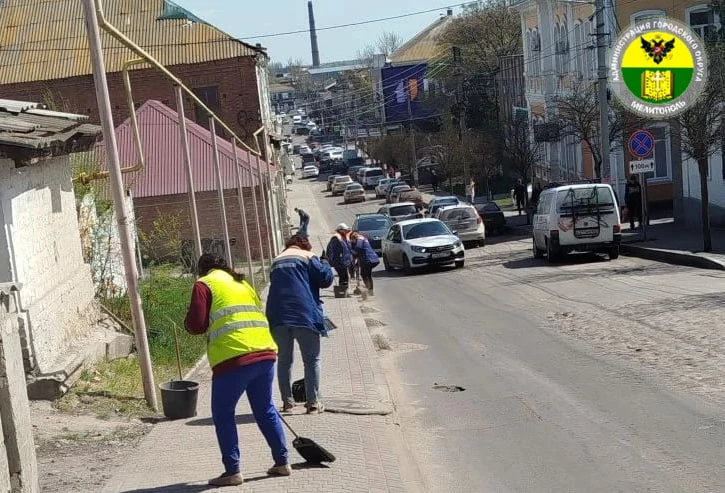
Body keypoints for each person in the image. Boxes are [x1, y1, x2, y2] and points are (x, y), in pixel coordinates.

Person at [184, 254, 290, 487]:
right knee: (265, 409)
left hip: (234, 357)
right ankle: (282, 461)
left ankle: (232, 471)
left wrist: (188, 320)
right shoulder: (243, 283)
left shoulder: (204, 284)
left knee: (223, 413)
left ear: (202, 270)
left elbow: (196, 325)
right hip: (265, 352)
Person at [266, 234, 334, 414]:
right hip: (304, 314)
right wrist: (325, 263)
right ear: (305, 246)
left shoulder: (276, 261)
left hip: (278, 316)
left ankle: (287, 403)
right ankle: (313, 403)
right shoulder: (307, 256)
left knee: (284, 360)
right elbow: (325, 279)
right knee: (312, 360)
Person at [326, 223, 353, 290]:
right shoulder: (336, 238)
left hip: (344, 262)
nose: (346, 231)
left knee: (345, 277)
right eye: (345, 230)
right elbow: (330, 251)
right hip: (339, 262)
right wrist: (330, 263)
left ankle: (343, 291)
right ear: (340, 230)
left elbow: (348, 248)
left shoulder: (343, 237)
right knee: (343, 277)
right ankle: (342, 291)